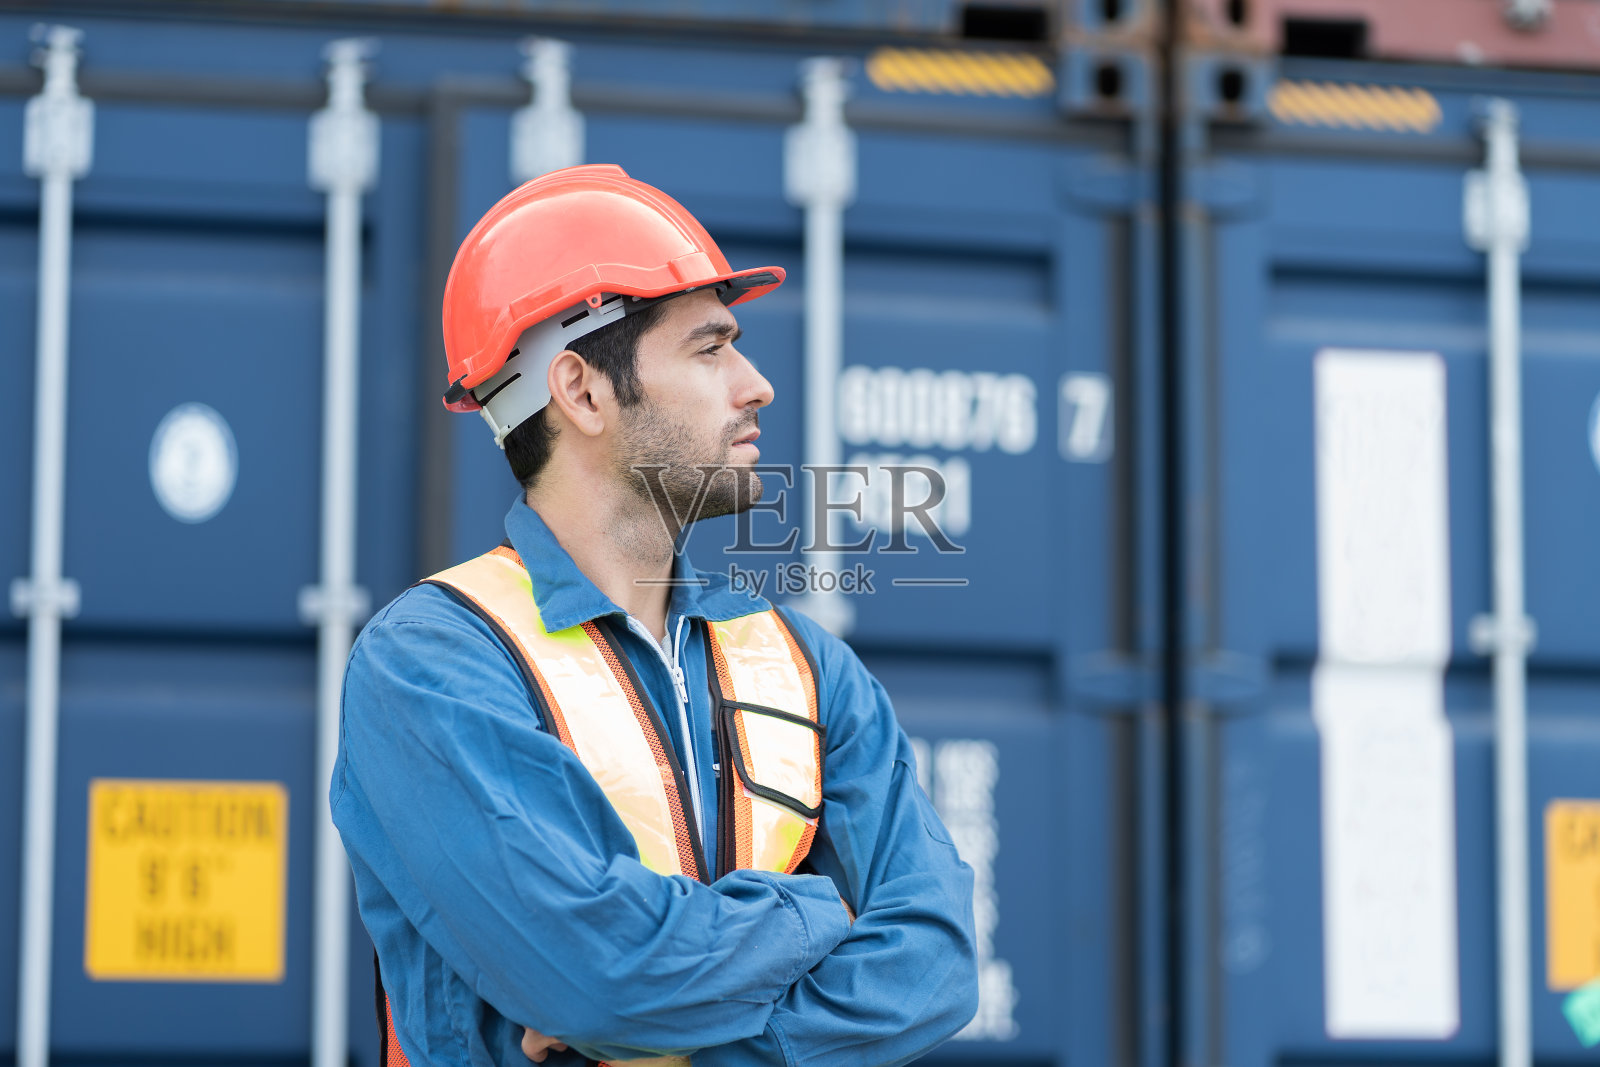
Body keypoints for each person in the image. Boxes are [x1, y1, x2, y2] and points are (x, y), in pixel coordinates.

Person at [332, 164, 978, 1067]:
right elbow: (596, 979)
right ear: (583, 390)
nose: (756, 385)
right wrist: (822, 911)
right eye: (710, 348)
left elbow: (937, 963)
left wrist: (663, 1032)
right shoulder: (432, 663)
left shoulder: (804, 662)